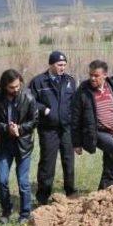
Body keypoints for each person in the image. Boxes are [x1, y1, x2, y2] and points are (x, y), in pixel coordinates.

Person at [0, 69, 38, 224]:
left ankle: (24, 214)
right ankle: (6, 211)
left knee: (23, 182)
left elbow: (35, 120)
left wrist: (20, 129)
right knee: (2, 180)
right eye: (12, 87)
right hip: (4, 145)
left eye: (17, 86)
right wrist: (5, 127)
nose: (16, 89)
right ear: (4, 86)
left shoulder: (28, 97)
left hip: (23, 145)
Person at [72, 60, 113, 190]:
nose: (92, 78)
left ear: (105, 75)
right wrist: (76, 143)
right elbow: (75, 118)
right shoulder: (83, 91)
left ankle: (104, 194)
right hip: (97, 132)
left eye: (96, 75)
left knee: (112, 167)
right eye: (91, 75)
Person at [29, 51, 76, 204]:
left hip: (66, 129)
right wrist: (43, 109)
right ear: (51, 64)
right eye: (59, 65)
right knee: (47, 163)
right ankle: (42, 197)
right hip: (48, 129)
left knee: (68, 160)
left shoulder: (70, 81)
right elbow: (29, 101)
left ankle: (70, 192)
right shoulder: (38, 81)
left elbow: (75, 104)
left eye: (64, 65)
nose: (62, 68)